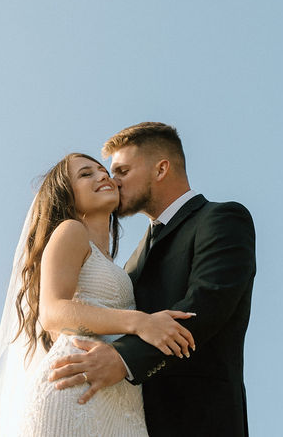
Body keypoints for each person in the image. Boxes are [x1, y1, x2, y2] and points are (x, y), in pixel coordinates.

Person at [49, 122, 256, 436]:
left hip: (201, 420)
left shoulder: (221, 219)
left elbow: (207, 305)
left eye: (122, 171)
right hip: (125, 419)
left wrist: (124, 359)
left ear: (161, 169)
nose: (111, 180)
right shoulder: (131, 261)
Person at [0, 153, 197, 436]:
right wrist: (140, 322)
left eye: (102, 171)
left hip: (116, 397)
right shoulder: (70, 231)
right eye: (86, 174)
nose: (102, 176)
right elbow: (52, 312)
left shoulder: (111, 262)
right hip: (72, 391)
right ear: (66, 195)